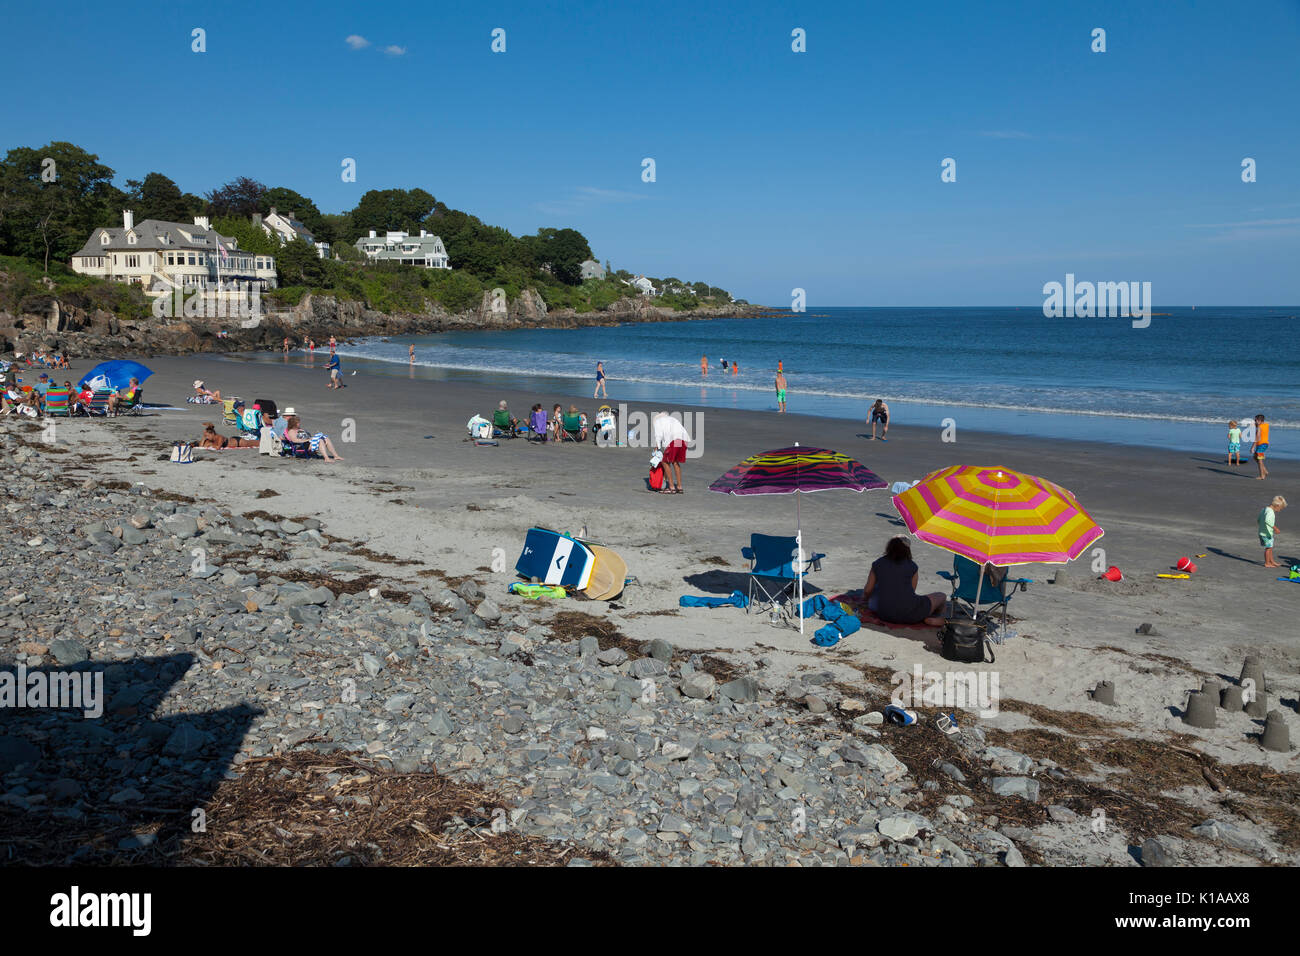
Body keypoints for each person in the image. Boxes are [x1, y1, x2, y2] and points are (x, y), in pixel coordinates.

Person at [863, 536, 947, 626]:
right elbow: (911, 591)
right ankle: (939, 618)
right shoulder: (912, 566)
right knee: (941, 596)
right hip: (909, 615)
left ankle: (931, 616)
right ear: (907, 549)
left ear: (889, 547)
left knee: (877, 592)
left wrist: (865, 601)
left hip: (884, 614)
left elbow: (868, 590)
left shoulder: (877, 563)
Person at [652, 411, 690, 494]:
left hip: (674, 440)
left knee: (664, 462)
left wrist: (657, 448)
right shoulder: (672, 419)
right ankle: (679, 487)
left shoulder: (658, 422)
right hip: (684, 439)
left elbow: (658, 436)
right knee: (675, 462)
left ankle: (671, 487)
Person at [1260, 496, 1287, 568]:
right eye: (1280, 508)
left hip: (1263, 532)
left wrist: (1262, 527)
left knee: (1270, 547)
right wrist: (1275, 528)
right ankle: (1267, 563)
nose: (1280, 510)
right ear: (1277, 505)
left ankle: (1271, 561)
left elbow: (1259, 519)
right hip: (1267, 533)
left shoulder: (1265, 509)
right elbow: (1267, 521)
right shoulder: (1270, 512)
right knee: (1268, 548)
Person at [1251, 414, 1270, 480]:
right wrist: (1257, 425)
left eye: (1255, 420)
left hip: (1261, 445)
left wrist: (1253, 447)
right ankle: (1264, 470)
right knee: (1254, 457)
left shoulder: (1259, 428)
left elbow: (1257, 437)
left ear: (1259, 421)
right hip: (1264, 444)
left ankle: (1262, 476)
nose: (1254, 421)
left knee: (1260, 460)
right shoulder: (1266, 425)